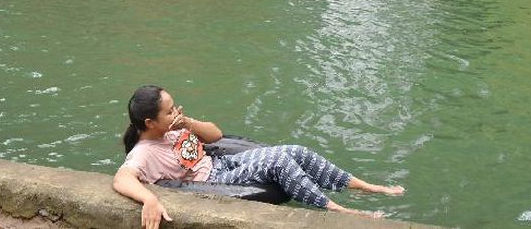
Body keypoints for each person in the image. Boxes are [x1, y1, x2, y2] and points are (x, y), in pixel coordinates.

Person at [112, 86, 404, 228]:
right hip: (215, 180)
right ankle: (339, 210)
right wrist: (149, 199)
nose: (176, 112)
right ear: (149, 122)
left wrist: (187, 122)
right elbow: (122, 178)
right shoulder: (144, 153)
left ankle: (365, 186)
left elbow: (215, 135)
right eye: (169, 111)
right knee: (280, 162)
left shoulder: (173, 128)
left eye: (175, 107)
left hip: (221, 163)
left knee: (297, 151)